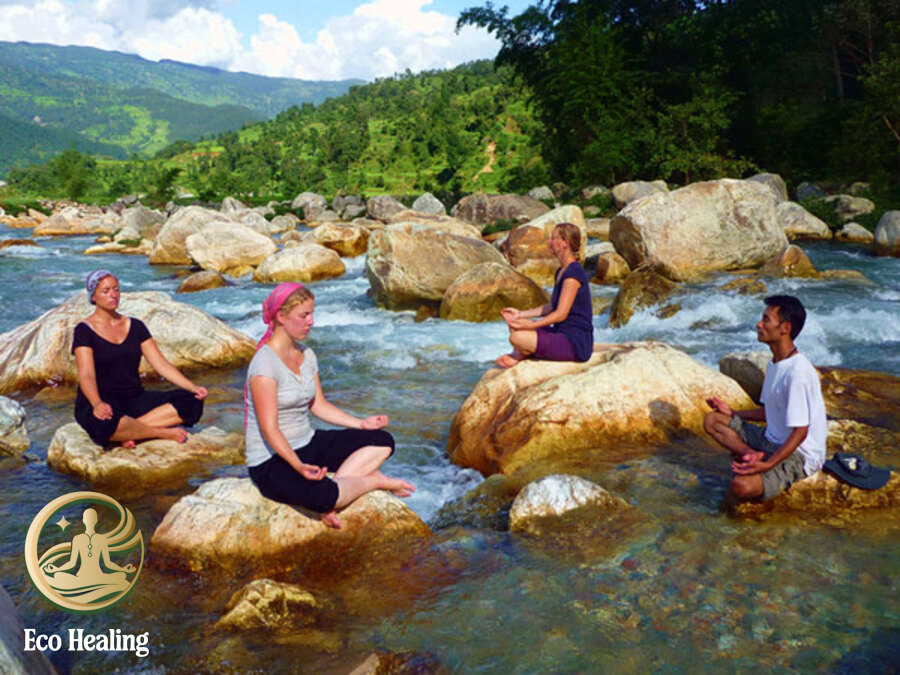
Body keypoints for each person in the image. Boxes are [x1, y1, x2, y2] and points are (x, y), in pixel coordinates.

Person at [245, 282, 415, 529]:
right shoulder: (264, 365)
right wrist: (298, 466)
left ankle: (338, 494)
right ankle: (375, 482)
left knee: (382, 440)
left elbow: (319, 405)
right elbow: (269, 429)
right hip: (271, 461)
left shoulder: (307, 355)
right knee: (323, 496)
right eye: (304, 315)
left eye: (312, 314)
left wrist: (361, 424)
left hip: (308, 443)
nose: (311, 321)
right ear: (281, 316)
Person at [704, 295, 827, 502]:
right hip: (771, 439)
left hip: (799, 453)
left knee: (741, 486)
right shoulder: (774, 363)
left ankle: (762, 459)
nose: (759, 324)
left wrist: (769, 465)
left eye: (766, 320)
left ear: (785, 328)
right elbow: (769, 410)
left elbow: (801, 432)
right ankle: (751, 454)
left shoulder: (798, 373)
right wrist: (733, 413)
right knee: (713, 420)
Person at [73, 270, 206, 448]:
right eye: (106, 291)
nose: (113, 295)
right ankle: (159, 432)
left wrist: (192, 387)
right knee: (104, 424)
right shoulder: (84, 330)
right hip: (100, 400)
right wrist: (97, 403)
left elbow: (161, 364)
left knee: (192, 401)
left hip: (134, 398)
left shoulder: (135, 326)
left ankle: (130, 433)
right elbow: (86, 375)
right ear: (93, 297)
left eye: (116, 289)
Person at [496, 222, 594, 368]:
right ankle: (522, 352)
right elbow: (552, 306)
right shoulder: (561, 271)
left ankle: (521, 353)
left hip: (575, 342)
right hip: (560, 332)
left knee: (517, 337)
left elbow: (560, 314)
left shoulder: (573, 274)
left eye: (553, 238)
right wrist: (520, 314)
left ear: (565, 243)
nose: (549, 241)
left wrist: (532, 325)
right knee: (515, 325)